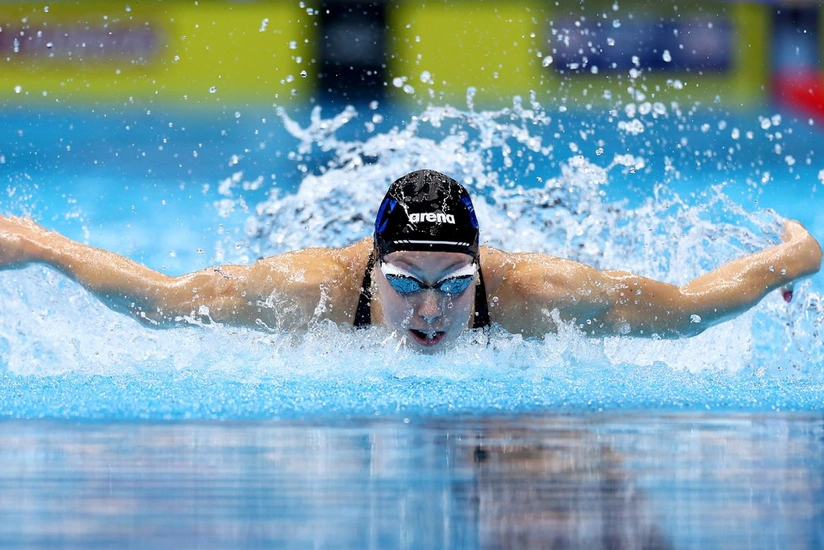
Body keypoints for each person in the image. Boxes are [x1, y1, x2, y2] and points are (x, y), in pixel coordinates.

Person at [0, 169, 821, 353]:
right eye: (404, 285)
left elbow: (684, 311)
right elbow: (163, 299)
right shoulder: (313, 288)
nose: (430, 312)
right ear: (371, 271)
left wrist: (794, 257)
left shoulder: (535, 293)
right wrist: (38, 244)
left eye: (454, 286)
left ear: (480, 272)